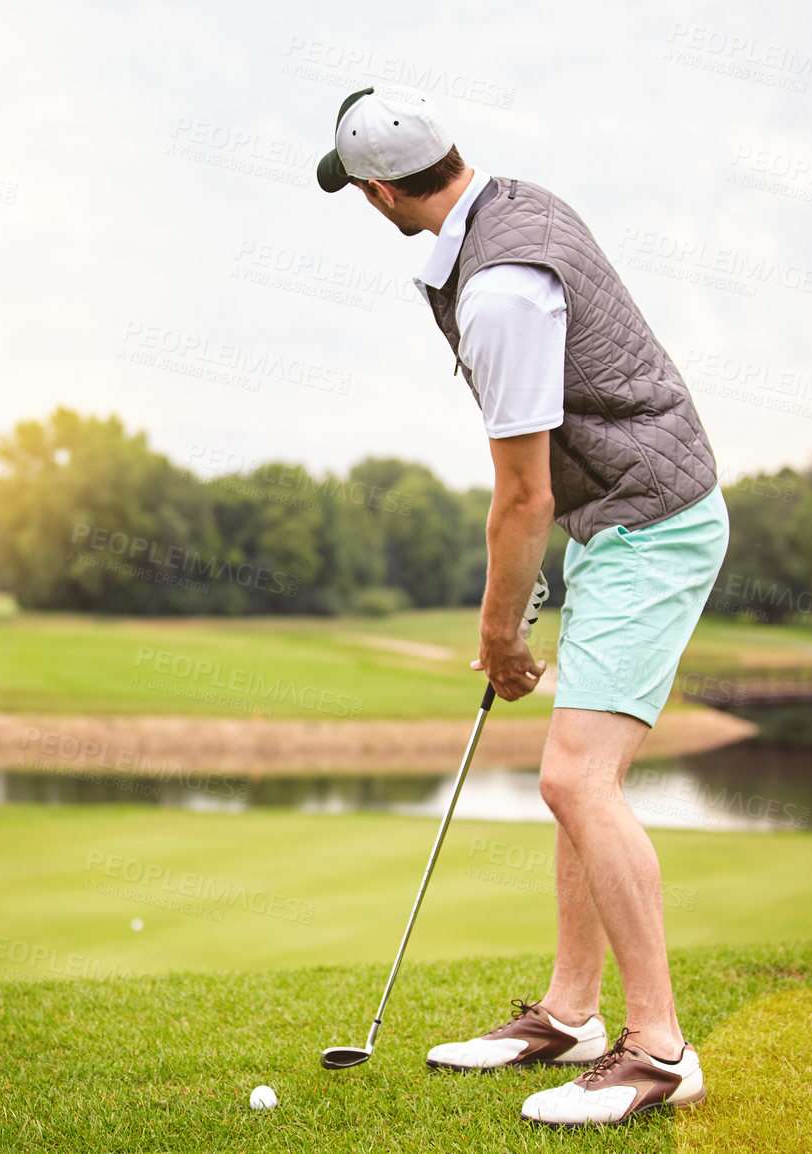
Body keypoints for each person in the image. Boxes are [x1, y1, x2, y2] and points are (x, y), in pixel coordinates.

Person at [315, 86, 729, 1127]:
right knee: (574, 781)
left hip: (652, 522)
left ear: (376, 193)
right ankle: (572, 1012)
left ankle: (662, 1049)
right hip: (615, 521)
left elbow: (522, 492)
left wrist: (500, 631)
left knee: (576, 777)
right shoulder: (517, 204)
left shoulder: (499, 286)